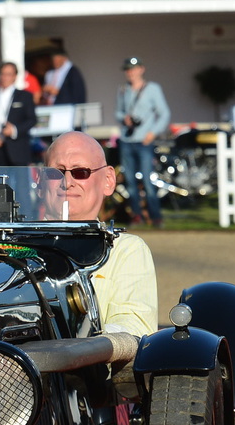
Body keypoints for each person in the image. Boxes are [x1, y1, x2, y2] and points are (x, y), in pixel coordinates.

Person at [39, 131, 157, 338]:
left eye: (81, 172)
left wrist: (82, 339)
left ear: (108, 180)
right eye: (55, 173)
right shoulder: (11, 246)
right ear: (41, 182)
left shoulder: (125, 250)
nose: (67, 182)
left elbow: (134, 325)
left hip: (90, 364)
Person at [116, 57, 171, 228]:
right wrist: (124, 118)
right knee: (130, 181)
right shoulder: (123, 89)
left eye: (133, 69)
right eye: (127, 70)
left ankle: (156, 217)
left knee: (147, 180)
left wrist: (152, 133)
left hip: (144, 141)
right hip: (127, 140)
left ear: (141, 69)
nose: (130, 72)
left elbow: (164, 113)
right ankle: (136, 216)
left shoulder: (153, 89)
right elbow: (117, 112)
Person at [0, 61, 38, 166]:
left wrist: (14, 130)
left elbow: (32, 120)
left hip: (17, 148)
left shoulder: (24, 96)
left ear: (15, 76)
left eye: (8, 74)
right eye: (3, 74)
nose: (5, 77)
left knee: (19, 180)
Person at [42, 40, 87, 108]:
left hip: (66, 107)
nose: (55, 62)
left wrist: (57, 92)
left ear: (64, 59)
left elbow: (76, 93)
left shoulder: (72, 72)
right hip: (51, 107)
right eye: (53, 60)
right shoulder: (50, 73)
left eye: (57, 60)